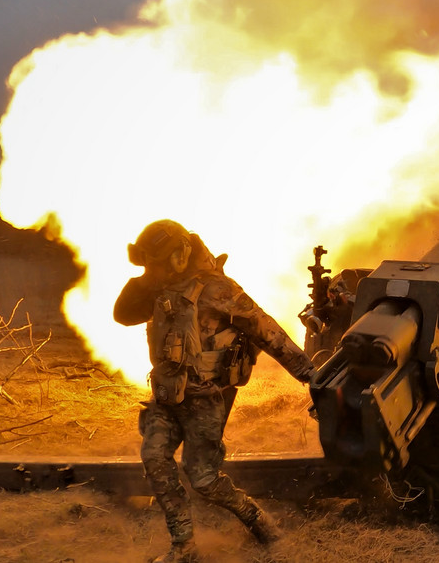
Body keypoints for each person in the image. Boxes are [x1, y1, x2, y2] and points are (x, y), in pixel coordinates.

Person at [114, 219, 315, 563]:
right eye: (152, 263)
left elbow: (265, 330)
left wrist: (309, 374)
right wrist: (148, 278)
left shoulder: (217, 289)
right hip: (165, 396)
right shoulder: (158, 286)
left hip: (206, 398)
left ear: (181, 254)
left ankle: (259, 521)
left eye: (161, 261)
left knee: (204, 478)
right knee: (154, 459)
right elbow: (123, 314)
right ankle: (184, 546)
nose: (157, 269)